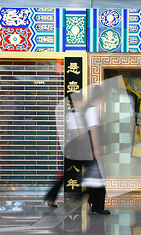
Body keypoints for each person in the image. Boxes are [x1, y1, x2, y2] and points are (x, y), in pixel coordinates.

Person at [45, 85, 109, 214]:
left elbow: (82, 133)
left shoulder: (77, 114)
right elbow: (86, 133)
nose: (79, 103)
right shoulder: (80, 113)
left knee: (80, 176)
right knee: (95, 177)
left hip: (79, 149)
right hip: (81, 150)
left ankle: (52, 197)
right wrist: (95, 147)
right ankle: (94, 204)